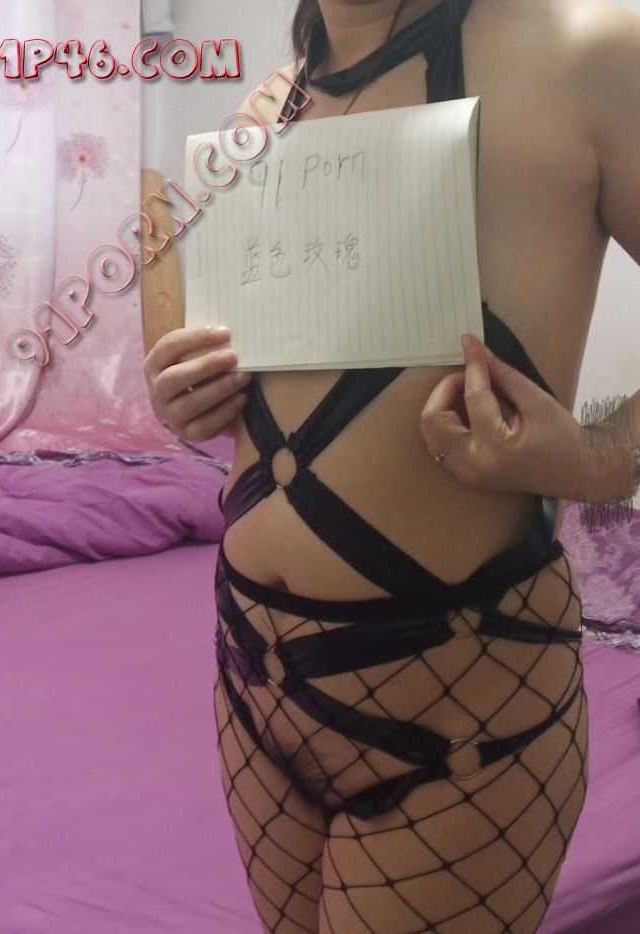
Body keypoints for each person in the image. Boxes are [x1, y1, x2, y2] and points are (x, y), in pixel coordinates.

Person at [144, 1, 640, 930]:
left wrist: (599, 457)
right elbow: (266, 382)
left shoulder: (590, 52)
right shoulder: (269, 109)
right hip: (252, 674)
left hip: (463, 700)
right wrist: (191, 399)